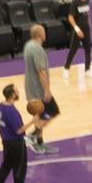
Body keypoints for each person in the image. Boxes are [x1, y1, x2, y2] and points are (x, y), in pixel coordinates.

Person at [0, 85, 40, 183]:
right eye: (17, 91)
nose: (18, 92)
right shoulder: (11, 111)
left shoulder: (0, 107)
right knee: (19, 170)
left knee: (6, 167)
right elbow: (18, 130)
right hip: (16, 143)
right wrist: (33, 121)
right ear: (13, 95)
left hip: (6, 142)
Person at [21, 25, 57, 154]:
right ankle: (32, 135)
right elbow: (41, 71)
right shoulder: (37, 49)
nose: (45, 33)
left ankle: (40, 144)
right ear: (40, 34)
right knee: (53, 111)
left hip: (30, 87)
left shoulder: (28, 45)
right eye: (43, 31)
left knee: (39, 116)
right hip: (38, 89)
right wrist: (47, 90)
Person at [61, 0, 92, 73]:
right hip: (78, 29)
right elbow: (70, 17)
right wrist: (77, 29)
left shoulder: (87, 0)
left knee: (88, 48)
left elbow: (86, 14)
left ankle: (87, 69)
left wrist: (89, 23)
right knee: (73, 49)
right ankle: (66, 68)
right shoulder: (75, 2)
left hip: (86, 28)